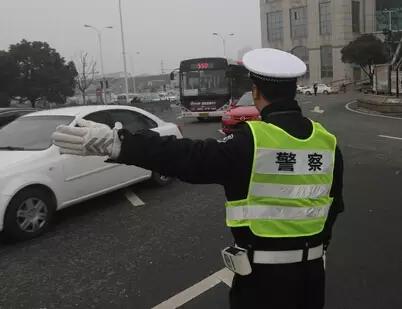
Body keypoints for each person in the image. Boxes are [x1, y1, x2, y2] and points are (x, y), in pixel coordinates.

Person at [52, 48, 344, 309]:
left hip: (262, 284)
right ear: (294, 91)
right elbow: (333, 207)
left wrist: (118, 143)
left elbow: (189, 157)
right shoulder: (327, 142)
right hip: (312, 278)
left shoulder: (251, 142)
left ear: (256, 92)